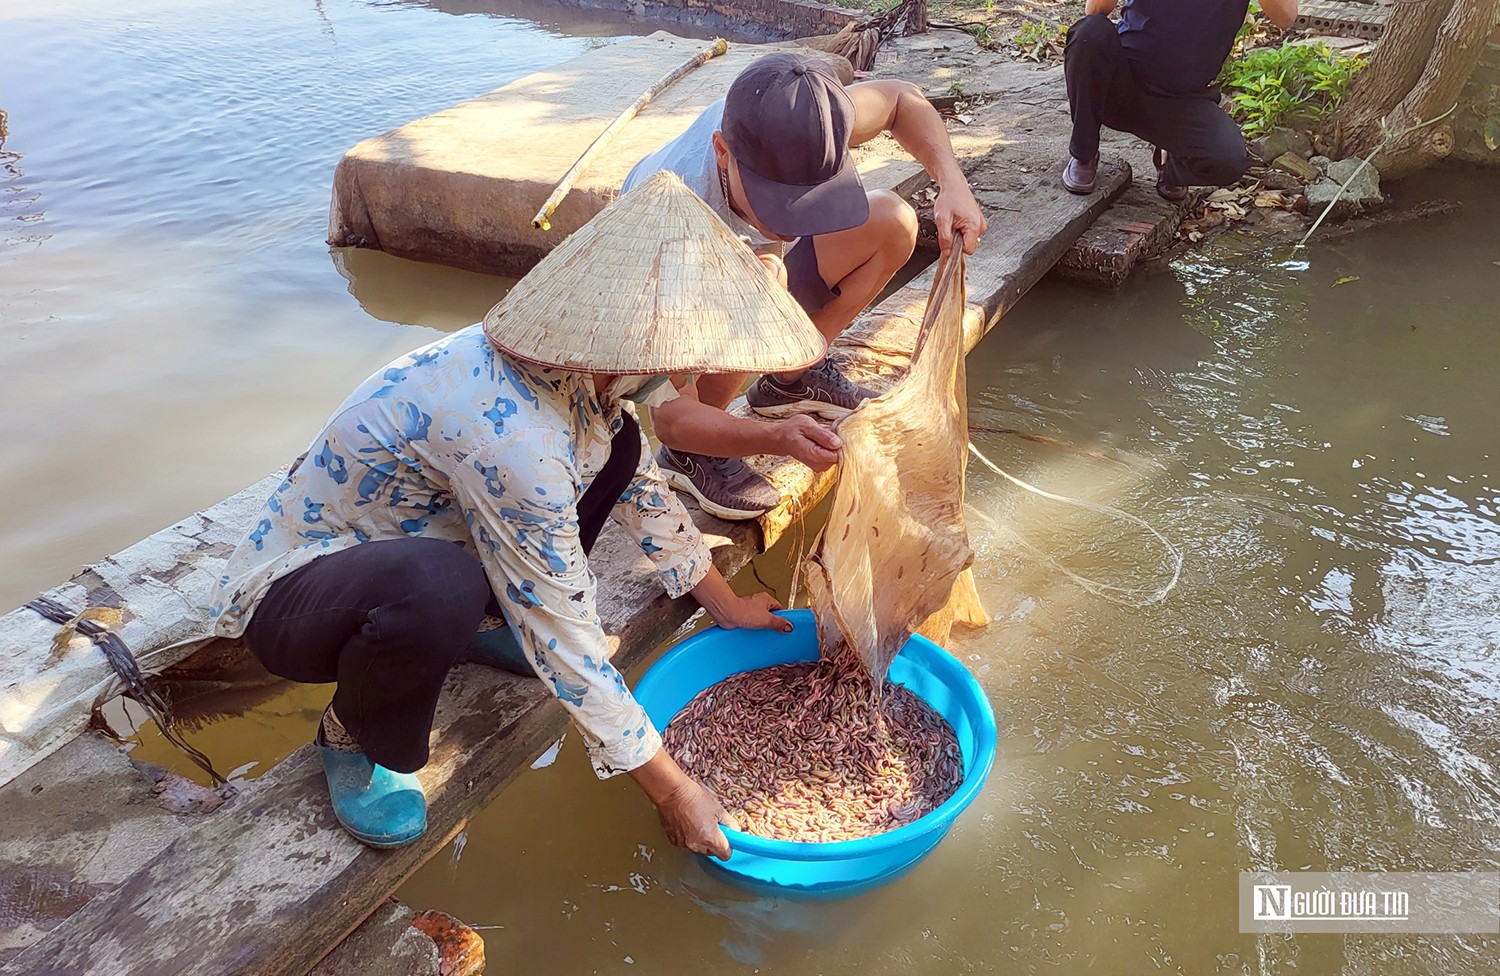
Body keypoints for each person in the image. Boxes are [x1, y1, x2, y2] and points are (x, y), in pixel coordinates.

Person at [207, 173, 828, 857]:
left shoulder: (590, 370)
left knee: (619, 445)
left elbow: (639, 485)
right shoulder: (512, 440)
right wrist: (675, 789)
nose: (698, 368)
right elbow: (562, 633)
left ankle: (476, 623)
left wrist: (725, 603)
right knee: (437, 587)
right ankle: (353, 732)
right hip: (298, 594)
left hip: (430, 536)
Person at [621, 52, 988, 521]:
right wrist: (772, 439)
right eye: (779, 201)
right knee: (759, 290)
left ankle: (791, 378)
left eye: (808, 199)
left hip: (748, 267)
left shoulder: (804, 124)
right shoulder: (666, 223)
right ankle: (696, 462)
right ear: (721, 152)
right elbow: (673, 418)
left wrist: (952, 182)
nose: (792, 221)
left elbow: (900, 99)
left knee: (893, 222)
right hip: (689, 282)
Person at [1061, 0, 1300, 200]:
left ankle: (1170, 167)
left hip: (1181, 100)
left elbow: (1286, 17)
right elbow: (1095, 10)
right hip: (1120, 85)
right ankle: (1084, 153)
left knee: (1228, 160)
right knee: (1089, 33)